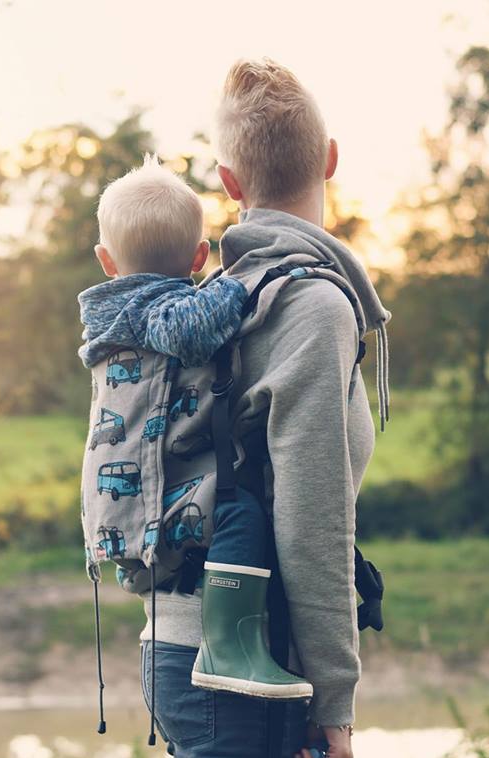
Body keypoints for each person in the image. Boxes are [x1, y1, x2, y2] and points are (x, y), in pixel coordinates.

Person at [137, 58, 391, 758]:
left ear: (230, 183)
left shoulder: (211, 300)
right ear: (331, 159)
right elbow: (314, 519)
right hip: (249, 667)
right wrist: (337, 697)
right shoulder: (312, 307)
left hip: (175, 649)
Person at [78, 155, 314, 700]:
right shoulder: (155, 310)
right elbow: (192, 330)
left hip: (129, 494)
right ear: (200, 256)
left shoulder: (113, 311)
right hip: (163, 495)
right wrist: (251, 275)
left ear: (106, 260)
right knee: (241, 513)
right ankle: (230, 649)